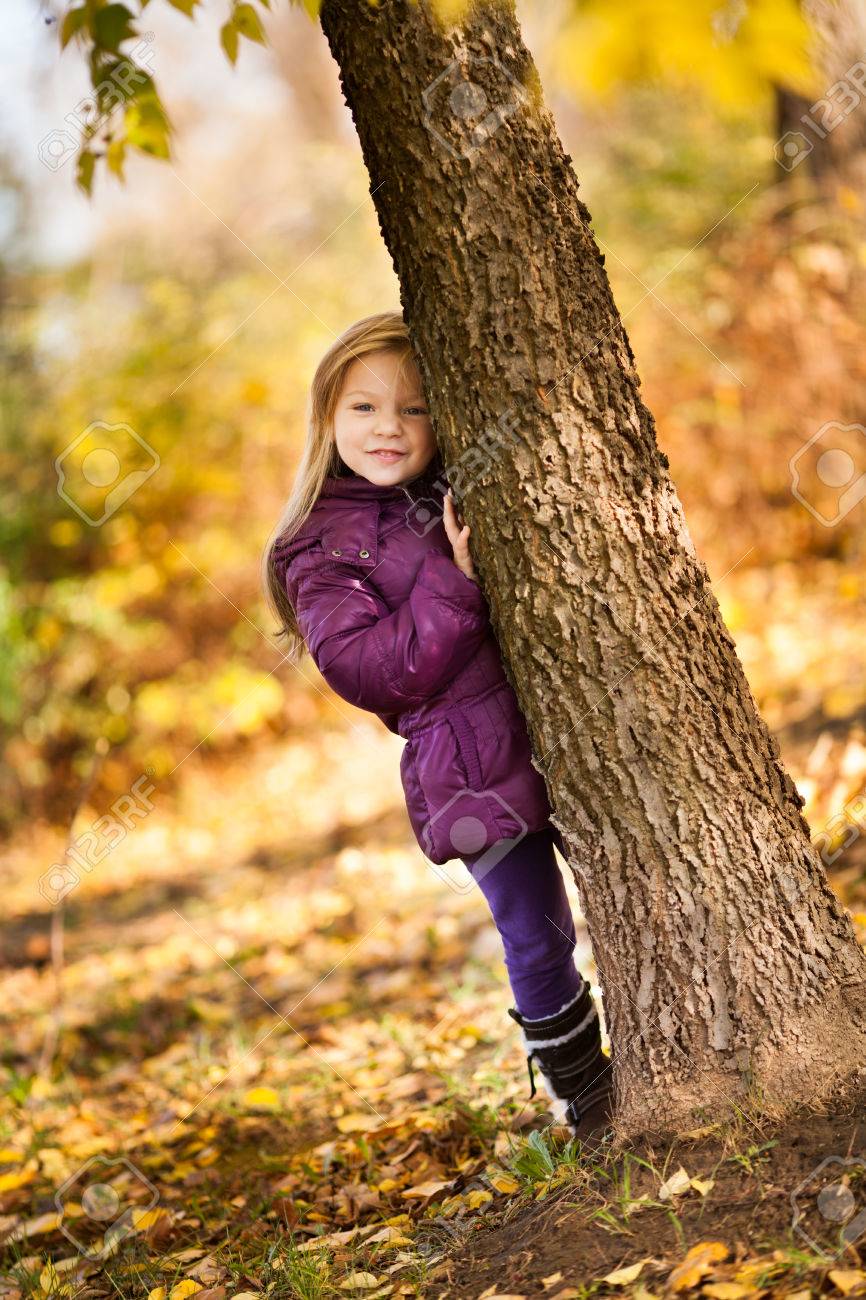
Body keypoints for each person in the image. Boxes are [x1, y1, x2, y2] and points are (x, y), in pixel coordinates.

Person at [262, 309, 611, 1139]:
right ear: (327, 417)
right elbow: (366, 668)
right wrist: (454, 581)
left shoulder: (456, 482)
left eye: (412, 408)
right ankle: (587, 1098)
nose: (389, 427)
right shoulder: (318, 545)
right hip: (468, 767)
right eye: (365, 407)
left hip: (557, 732)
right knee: (538, 932)